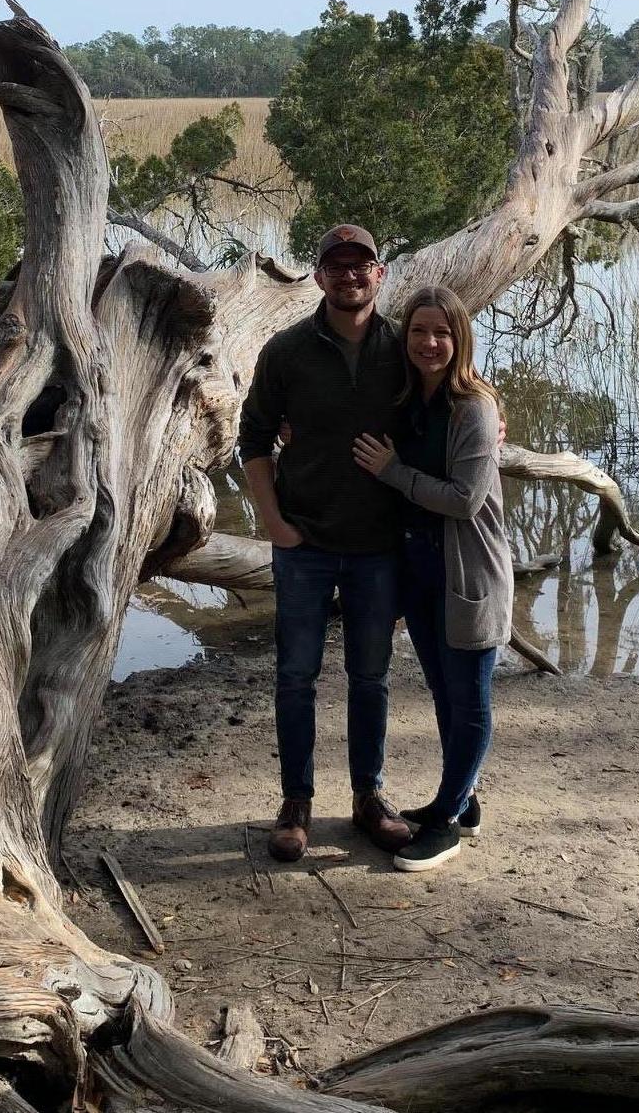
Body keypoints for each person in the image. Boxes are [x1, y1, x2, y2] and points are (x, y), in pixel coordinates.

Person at [238, 225, 413, 863]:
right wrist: (273, 523)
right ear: (317, 277)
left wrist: (492, 414)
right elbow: (253, 437)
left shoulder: (403, 347)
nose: (349, 276)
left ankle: (369, 797)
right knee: (295, 677)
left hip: (379, 545)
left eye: (361, 265)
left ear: (380, 274)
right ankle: (296, 803)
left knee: (371, 676)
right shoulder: (286, 351)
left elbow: (454, 392)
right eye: (336, 266)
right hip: (304, 543)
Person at [352, 285, 513, 873]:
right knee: (445, 693)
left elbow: (465, 500)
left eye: (442, 332)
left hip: (469, 574)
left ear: (460, 338)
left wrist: (393, 472)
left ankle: (445, 823)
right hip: (422, 575)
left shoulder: (474, 407)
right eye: (419, 331)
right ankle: (463, 802)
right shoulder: (409, 398)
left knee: (469, 702)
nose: (429, 343)